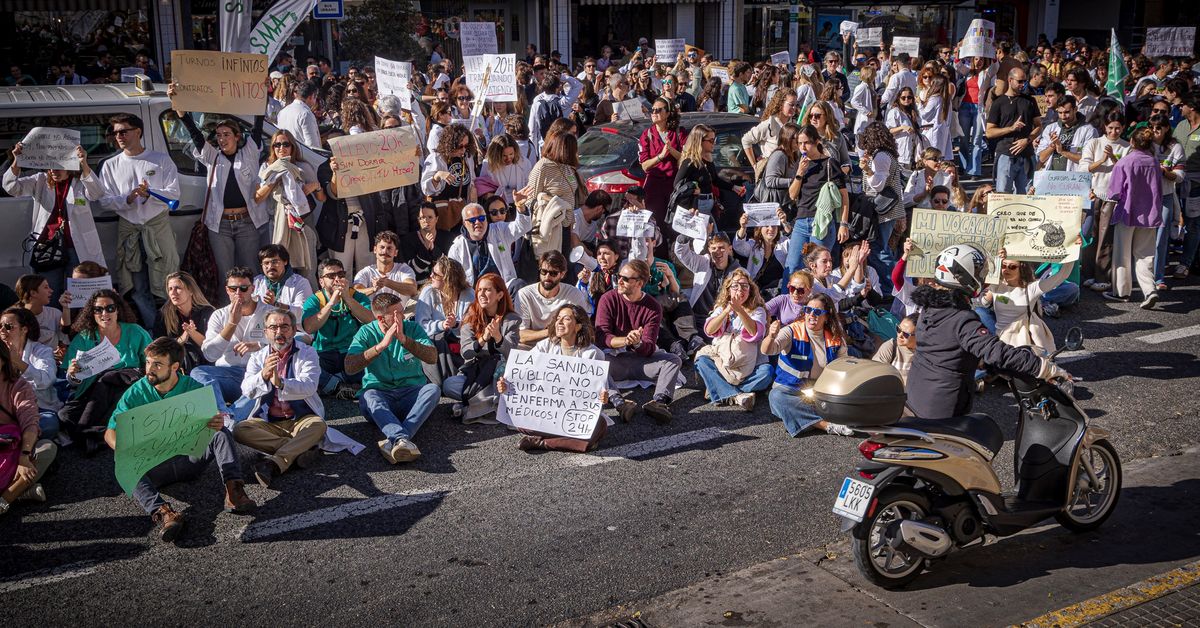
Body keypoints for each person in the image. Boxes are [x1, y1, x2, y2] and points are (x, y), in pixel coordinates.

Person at [105, 337, 255, 541]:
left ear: (174, 367)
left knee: (220, 433)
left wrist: (216, 421)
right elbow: (110, 432)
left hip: (189, 459)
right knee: (122, 462)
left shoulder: (192, 387)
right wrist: (121, 447)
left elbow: (212, 419)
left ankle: (234, 490)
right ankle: (164, 513)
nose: (150, 369)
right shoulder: (135, 392)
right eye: (148, 362)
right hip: (155, 464)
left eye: (157, 364)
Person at [907, 244, 1067, 420]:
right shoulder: (962, 319)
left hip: (917, 394)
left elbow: (948, 349)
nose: (981, 276)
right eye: (977, 271)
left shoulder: (929, 309)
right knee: (987, 429)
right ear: (963, 276)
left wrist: (982, 363)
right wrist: (1044, 368)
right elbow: (998, 352)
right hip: (943, 405)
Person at [170, 89, 270, 286]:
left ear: (237, 136)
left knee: (250, 270)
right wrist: (180, 109)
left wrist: (262, 92)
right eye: (218, 135)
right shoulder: (212, 156)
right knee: (226, 275)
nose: (222, 139)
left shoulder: (249, 153)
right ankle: (227, 306)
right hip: (220, 225)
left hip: (246, 223)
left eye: (226, 134)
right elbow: (194, 134)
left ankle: (251, 305)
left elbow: (258, 125)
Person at [97, 113, 180, 325]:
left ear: (138, 132)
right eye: (115, 133)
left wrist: (150, 193)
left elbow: (174, 194)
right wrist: (128, 198)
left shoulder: (160, 160)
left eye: (123, 131)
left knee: (167, 282)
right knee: (137, 286)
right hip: (129, 230)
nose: (119, 136)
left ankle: (170, 327)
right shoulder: (110, 165)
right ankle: (153, 328)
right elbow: (104, 202)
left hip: (157, 227)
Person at [498, 303, 613, 452]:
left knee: (599, 425)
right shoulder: (545, 346)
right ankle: (573, 442)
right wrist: (506, 385)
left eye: (566, 319)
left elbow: (599, 394)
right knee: (521, 421)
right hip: (547, 412)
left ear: (578, 326)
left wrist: (602, 397)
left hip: (575, 415)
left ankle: (541, 442)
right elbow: (523, 374)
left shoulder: (593, 354)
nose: (559, 322)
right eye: (558, 318)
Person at [235, 308, 328, 487]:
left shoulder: (308, 353)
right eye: (273, 327)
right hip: (269, 422)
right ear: (266, 332)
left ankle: (273, 463)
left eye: (284, 327)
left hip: (300, 419)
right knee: (240, 429)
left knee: (319, 425)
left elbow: (310, 386)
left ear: (293, 330)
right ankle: (299, 448)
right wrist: (263, 375)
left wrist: (281, 383)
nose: (279, 332)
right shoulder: (257, 358)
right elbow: (246, 390)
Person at [344, 292, 439, 463]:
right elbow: (349, 367)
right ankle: (402, 439)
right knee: (368, 396)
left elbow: (432, 357)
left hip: (411, 395)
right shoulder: (366, 332)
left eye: (402, 311)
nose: (403, 316)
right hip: (381, 396)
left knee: (432, 389)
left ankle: (397, 439)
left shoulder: (412, 328)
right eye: (397, 314)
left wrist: (405, 340)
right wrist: (380, 347)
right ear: (381, 319)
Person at [4, 143, 104, 297]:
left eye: (58, 167)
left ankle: (73, 314)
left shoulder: (80, 182)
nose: (53, 171)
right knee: (50, 294)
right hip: (48, 247)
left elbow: (97, 193)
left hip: (76, 247)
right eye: (50, 167)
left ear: (70, 166)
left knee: (77, 295)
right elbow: (11, 187)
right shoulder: (40, 180)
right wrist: (17, 160)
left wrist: (83, 163)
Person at [59, 290, 152, 453]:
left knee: (110, 382)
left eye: (110, 308)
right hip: (92, 390)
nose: (104, 313)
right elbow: (73, 381)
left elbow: (152, 360)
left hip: (127, 385)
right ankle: (106, 435)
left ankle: (93, 435)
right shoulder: (84, 337)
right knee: (65, 415)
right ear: (92, 313)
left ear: (118, 310)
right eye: (98, 309)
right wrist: (73, 374)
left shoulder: (135, 331)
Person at [595, 260, 681, 424]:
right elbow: (601, 337)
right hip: (613, 359)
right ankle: (620, 403)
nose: (619, 281)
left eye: (625, 279)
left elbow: (649, 347)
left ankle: (659, 402)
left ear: (640, 283)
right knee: (593, 359)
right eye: (619, 276)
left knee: (673, 360)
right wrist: (625, 340)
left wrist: (637, 343)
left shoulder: (653, 306)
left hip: (639, 360)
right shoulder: (608, 298)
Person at [761, 292, 853, 437]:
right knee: (776, 397)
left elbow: (844, 370)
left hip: (819, 392)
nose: (811, 315)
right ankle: (827, 425)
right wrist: (771, 336)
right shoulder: (792, 330)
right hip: (790, 390)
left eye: (817, 312)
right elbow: (767, 350)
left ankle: (803, 419)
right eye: (808, 310)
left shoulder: (836, 338)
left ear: (827, 316)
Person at [196, 267, 273, 421]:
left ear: (252, 289)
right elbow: (210, 355)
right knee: (198, 373)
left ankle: (229, 421)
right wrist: (231, 324)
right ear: (227, 290)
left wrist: (259, 345)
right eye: (233, 289)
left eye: (243, 288)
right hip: (228, 373)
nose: (238, 293)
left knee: (262, 387)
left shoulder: (270, 313)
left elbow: (292, 341)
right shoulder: (219, 315)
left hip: (258, 373)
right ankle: (223, 412)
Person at [442, 274, 520, 423]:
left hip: (501, 375)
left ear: (500, 295)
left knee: (503, 383)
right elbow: (466, 352)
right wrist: (483, 339)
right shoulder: (471, 317)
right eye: (479, 290)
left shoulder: (512, 319)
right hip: (477, 373)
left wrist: (498, 337)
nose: (482, 294)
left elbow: (511, 354)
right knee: (449, 385)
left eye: (488, 290)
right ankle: (492, 405)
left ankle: (475, 406)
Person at [695, 269, 773, 410]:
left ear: (750, 290)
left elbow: (754, 332)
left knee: (766, 372)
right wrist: (727, 311)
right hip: (723, 362)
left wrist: (740, 310)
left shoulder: (758, 310)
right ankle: (737, 396)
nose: (740, 290)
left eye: (744, 286)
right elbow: (710, 330)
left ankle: (719, 389)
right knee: (701, 361)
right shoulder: (721, 308)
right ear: (728, 290)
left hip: (748, 364)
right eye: (735, 286)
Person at [1104, 127, 1164, 308]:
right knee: (1145, 255)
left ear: (1132, 142)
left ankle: (1122, 292)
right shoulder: (1154, 162)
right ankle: (1150, 290)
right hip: (1150, 213)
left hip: (1127, 212)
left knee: (1122, 255)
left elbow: (1114, 193)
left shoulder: (1125, 162)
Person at [256, 129, 323, 285]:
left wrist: (316, 187)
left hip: (303, 224)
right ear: (272, 148)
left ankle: (309, 299)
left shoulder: (302, 167)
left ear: (292, 146)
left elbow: (321, 198)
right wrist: (274, 178)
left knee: (307, 270)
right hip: (278, 224)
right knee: (279, 268)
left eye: (286, 144)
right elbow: (258, 198)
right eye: (277, 145)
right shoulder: (267, 168)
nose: (281, 148)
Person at [302, 258, 373, 398]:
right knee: (304, 365)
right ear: (321, 281)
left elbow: (371, 320)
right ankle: (339, 384)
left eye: (341, 275)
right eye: (331, 276)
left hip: (351, 352)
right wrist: (331, 303)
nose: (337, 279)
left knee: (376, 360)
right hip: (324, 353)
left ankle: (333, 383)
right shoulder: (315, 300)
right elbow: (309, 328)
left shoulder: (355, 296)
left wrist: (348, 299)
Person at [857, 121, 907, 294]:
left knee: (878, 250)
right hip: (887, 210)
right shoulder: (885, 154)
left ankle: (894, 287)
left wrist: (867, 170)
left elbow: (878, 184)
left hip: (885, 211)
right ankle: (890, 286)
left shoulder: (881, 157)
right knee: (882, 249)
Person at [524, 131, 587, 257]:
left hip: (566, 225)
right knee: (550, 262)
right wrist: (554, 204)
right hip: (551, 227)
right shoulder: (542, 167)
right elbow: (530, 200)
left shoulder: (567, 167)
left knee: (562, 263)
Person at [1, 307, 59, 443]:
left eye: (8, 327)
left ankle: (13, 438)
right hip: (7, 410)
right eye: (0, 326)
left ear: (24, 329)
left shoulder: (42, 351)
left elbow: (47, 380)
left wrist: (17, 361)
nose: (2, 331)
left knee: (49, 424)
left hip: (39, 408)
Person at [414, 256, 474, 386]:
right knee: (436, 339)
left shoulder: (469, 294)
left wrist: (455, 324)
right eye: (432, 271)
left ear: (448, 279)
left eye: (436, 274)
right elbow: (420, 326)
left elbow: (473, 325)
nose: (431, 275)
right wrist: (442, 325)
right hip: (436, 345)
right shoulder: (428, 292)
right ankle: (439, 380)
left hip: (461, 344)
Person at [448, 201, 533, 289]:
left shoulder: (499, 230)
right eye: (472, 220)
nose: (477, 222)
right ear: (464, 223)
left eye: (481, 218)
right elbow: (454, 279)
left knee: (518, 284)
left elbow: (523, 227)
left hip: (503, 288)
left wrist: (520, 206)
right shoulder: (457, 248)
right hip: (475, 293)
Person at [671, 124, 747, 221]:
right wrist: (693, 188)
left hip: (709, 204)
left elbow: (714, 180)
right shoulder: (689, 162)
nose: (714, 143)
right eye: (711, 140)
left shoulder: (708, 158)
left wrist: (733, 187)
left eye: (714, 140)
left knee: (712, 229)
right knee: (708, 230)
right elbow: (677, 184)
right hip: (696, 206)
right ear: (700, 141)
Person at [516, 250, 590, 347]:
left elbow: (583, 328)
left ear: (562, 274)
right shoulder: (524, 294)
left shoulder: (574, 294)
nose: (547, 277)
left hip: (562, 346)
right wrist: (552, 331)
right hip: (531, 347)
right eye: (543, 271)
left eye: (553, 273)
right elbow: (521, 336)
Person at [637, 98, 687, 236]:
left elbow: (687, 158)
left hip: (675, 184)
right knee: (656, 225)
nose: (654, 112)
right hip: (654, 187)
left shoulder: (679, 132)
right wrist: (661, 156)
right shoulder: (647, 134)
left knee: (675, 226)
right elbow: (645, 166)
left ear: (668, 113)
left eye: (658, 110)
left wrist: (671, 150)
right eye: (652, 109)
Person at [986, 67, 1039, 194]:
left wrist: (1027, 140)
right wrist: (1010, 128)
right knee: (1003, 195)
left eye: (1024, 81)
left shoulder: (1030, 100)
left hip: (1026, 154)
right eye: (1020, 81)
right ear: (1010, 80)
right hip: (1005, 153)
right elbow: (989, 132)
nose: (1023, 84)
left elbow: (1038, 125)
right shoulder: (998, 102)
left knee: (1026, 195)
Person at [673, 231, 743, 322]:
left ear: (730, 249)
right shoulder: (702, 263)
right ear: (709, 249)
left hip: (724, 320)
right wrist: (687, 234)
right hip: (698, 317)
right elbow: (682, 252)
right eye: (714, 248)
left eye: (721, 248)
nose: (717, 251)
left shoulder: (739, 272)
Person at [152, 272, 215, 373]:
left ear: (191, 291)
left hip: (206, 362)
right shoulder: (163, 314)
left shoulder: (207, 312)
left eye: (178, 288)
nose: (173, 293)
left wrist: (193, 333)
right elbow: (159, 347)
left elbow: (214, 347)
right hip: (176, 364)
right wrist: (181, 339)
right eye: (170, 289)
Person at [421, 123, 479, 232]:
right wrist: (437, 176)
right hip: (442, 212)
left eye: (466, 146)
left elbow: (471, 179)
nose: (463, 150)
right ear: (450, 144)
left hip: (462, 209)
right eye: (459, 146)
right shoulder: (436, 158)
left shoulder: (467, 157)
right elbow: (425, 189)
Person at [1149, 114, 1184, 290]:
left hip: (1165, 195)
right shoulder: (1145, 143)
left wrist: (1164, 172)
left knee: (1161, 237)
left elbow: (1179, 176)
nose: (1155, 131)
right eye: (1152, 127)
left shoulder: (1175, 147)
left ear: (1166, 128)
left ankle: (1158, 277)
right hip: (1145, 197)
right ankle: (1142, 274)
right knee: (1144, 237)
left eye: (1159, 128)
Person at [742, 91, 800, 180]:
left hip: (790, 174)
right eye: (791, 104)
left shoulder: (794, 124)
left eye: (796, 104)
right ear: (781, 104)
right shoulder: (768, 125)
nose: (794, 108)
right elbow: (746, 140)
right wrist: (755, 165)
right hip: (772, 176)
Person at [1035, 95, 1099, 173]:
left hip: (1075, 177)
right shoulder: (1050, 128)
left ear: (1075, 109)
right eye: (1060, 112)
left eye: (1067, 112)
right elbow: (1041, 158)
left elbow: (1088, 160)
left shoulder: (1089, 130)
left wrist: (1062, 151)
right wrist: (1053, 145)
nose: (1063, 116)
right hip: (1051, 177)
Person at [734, 211, 790, 299]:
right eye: (767, 226)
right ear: (760, 228)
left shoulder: (784, 243)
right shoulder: (753, 245)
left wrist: (785, 223)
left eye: (774, 226)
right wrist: (743, 227)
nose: (771, 229)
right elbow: (738, 246)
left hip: (778, 294)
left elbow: (796, 244)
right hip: (757, 294)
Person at [351, 231, 417, 299]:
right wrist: (373, 289)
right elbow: (355, 293)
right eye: (382, 247)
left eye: (389, 248)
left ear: (396, 253)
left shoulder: (404, 269)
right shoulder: (365, 272)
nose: (385, 251)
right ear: (375, 249)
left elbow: (413, 290)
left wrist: (387, 283)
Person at [253, 244, 313, 319]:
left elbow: (304, 312)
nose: (270, 266)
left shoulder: (301, 283)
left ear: (285, 261)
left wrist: (276, 304)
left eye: (275, 262)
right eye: (266, 263)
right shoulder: (256, 282)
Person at [401, 202, 455, 284]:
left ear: (436, 219)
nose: (426, 221)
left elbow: (449, 267)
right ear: (418, 220)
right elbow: (410, 271)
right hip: (418, 286)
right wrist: (425, 248)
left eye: (430, 217)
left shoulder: (448, 238)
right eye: (422, 217)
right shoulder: (408, 240)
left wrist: (433, 249)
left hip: (442, 284)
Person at [14, 275, 68, 351]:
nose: (51, 290)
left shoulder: (55, 313)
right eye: (46, 287)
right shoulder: (15, 317)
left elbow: (64, 344)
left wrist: (60, 352)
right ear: (33, 293)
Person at [479, 134, 533, 207]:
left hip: (520, 204)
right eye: (504, 156)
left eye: (511, 154)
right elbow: (482, 185)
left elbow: (529, 185)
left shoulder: (524, 163)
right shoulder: (488, 164)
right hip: (497, 206)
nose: (508, 158)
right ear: (496, 155)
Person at [872, 314, 918, 385]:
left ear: (919, 335)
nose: (900, 335)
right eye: (898, 329)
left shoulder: (927, 354)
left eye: (906, 334)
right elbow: (874, 374)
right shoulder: (891, 347)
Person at [886, 86, 923, 172]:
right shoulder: (895, 112)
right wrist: (902, 127)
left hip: (913, 151)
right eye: (903, 98)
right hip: (900, 150)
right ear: (899, 98)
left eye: (909, 97)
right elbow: (889, 131)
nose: (906, 99)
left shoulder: (914, 112)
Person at [277, 80, 322, 148]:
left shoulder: (282, 112)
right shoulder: (306, 114)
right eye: (315, 97)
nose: (315, 101)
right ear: (311, 96)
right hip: (302, 154)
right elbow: (313, 146)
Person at [918, 74, 953, 157]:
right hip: (942, 130)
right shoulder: (947, 99)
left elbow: (924, 115)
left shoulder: (935, 98)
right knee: (939, 156)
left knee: (931, 156)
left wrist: (920, 104)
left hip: (932, 131)